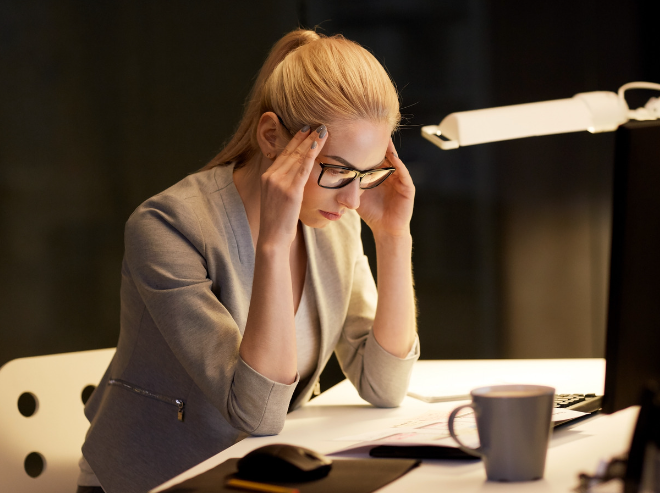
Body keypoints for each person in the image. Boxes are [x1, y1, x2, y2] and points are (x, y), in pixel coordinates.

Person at [77, 29, 419, 493]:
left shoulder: (333, 221)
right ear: (272, 137)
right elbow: (256, 412)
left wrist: (394, 237)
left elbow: (385, 386)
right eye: (338, 170)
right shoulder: (166, 227)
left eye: (367, 173)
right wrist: (274, 242)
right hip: (158, 480)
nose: (354, 200)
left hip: (258, 473)